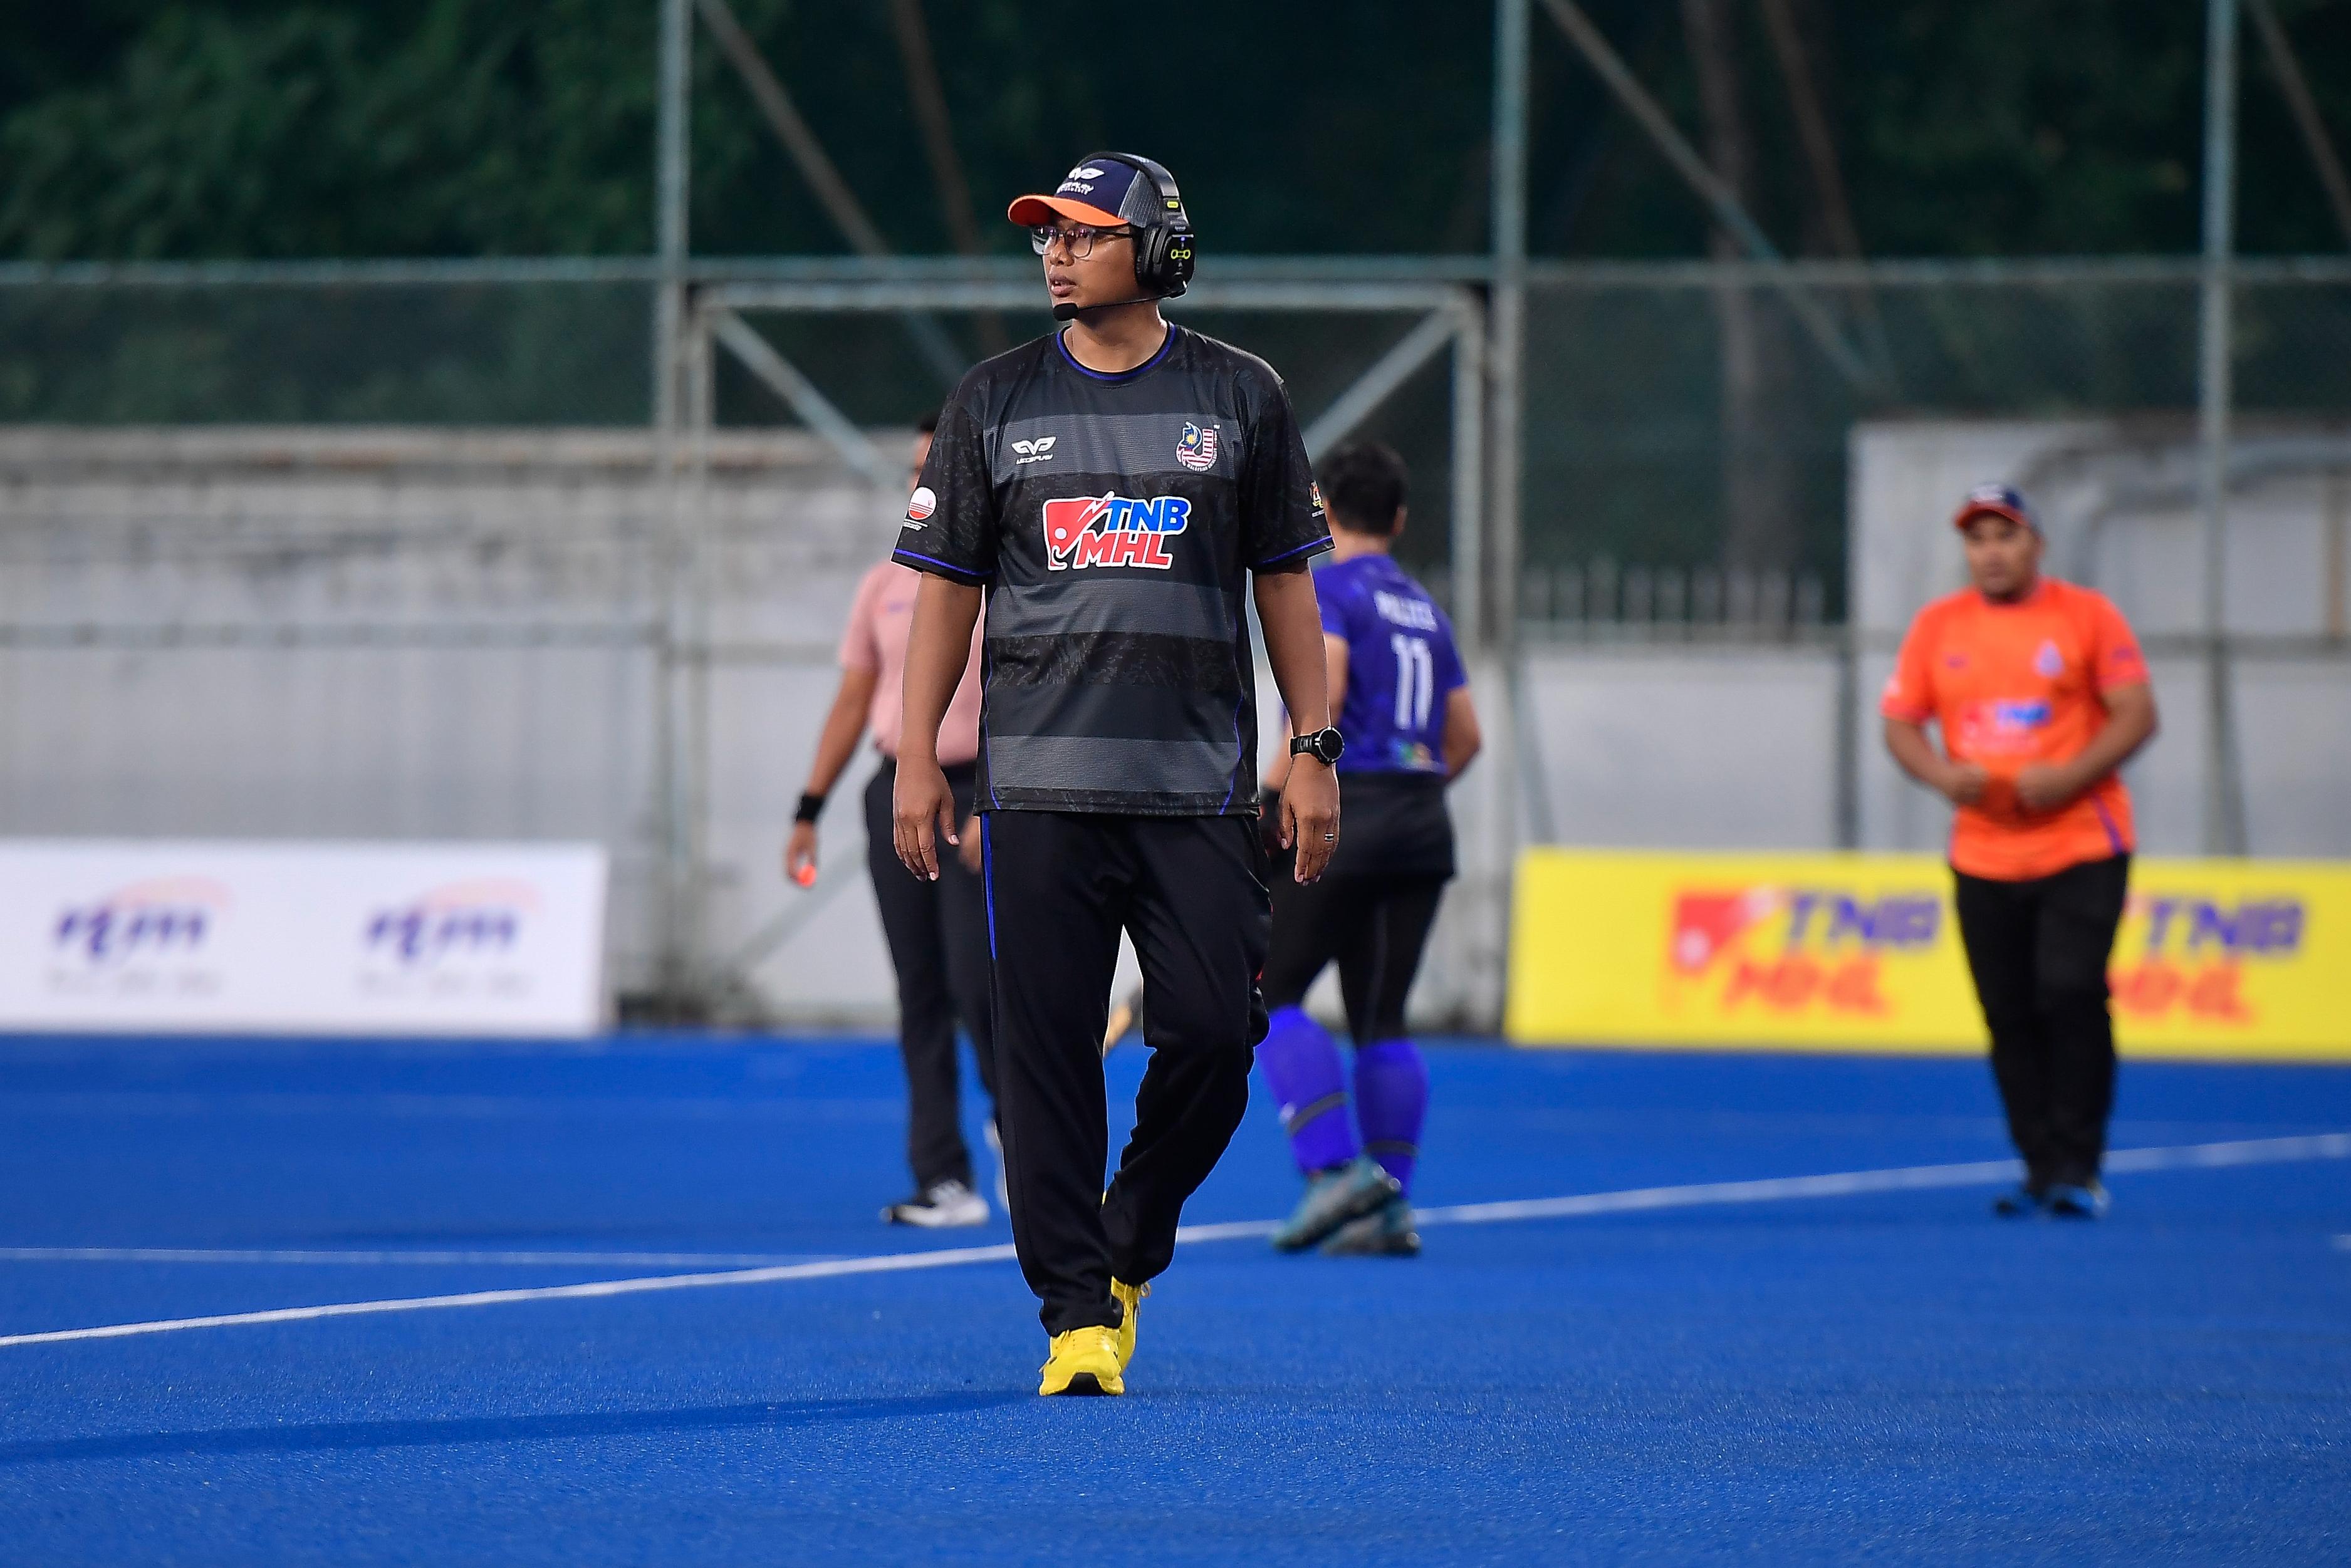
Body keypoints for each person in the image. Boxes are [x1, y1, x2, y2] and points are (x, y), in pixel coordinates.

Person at [890, 152, 1342, 1396]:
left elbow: (1285, 582)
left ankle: (1130, 1231)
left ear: (1157, 250)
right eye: (1046, 234)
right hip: (1037, 793)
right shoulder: (991, 399)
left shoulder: (1241, 394)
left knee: (1213, 1033)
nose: (1056, 252)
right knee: (1043, 1059)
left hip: (1197, 791)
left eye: (1084, 234)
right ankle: (1075, 1313)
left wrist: (1312, 748)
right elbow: (944, 594)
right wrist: (921, 755)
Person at [1881, 484, 2158, 1220]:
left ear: (2035, 543)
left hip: (2080, 841)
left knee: (2067, 990)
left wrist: (2070, 775)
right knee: (2006, 1010)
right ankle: (2038, 1166)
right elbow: (1900, 722)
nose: (1991, 552)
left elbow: (2135, 712)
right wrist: (1941, 776)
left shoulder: (2085, 616)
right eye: (1976, 539)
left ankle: (2078, 1164)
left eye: (2004, 535)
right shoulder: (1937, 626)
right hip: (1982, 851)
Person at [1256, 442, 1480, 1259]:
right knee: (1381, 1016)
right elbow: (1465, 735)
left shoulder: (1332, 590)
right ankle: (1389, 1204)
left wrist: (1271, 797)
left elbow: (1327, 695)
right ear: (1400, 517)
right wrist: (1408, 792)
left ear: (1320, 507)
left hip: (1349, 815)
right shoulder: (1425, 607)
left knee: (1268, 989)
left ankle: (1330, 1171)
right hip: (1421, 823)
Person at [786, 413, 999, 1229]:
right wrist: (809, 806)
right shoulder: (886, 582)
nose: (921, 482)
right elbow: (855, 698)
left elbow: (1032, 695)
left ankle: (1025, 1126)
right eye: (914, 468)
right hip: (897, 790)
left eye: (934, 467)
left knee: (980, 983)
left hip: (977, 791)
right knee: (920, 989)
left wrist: (998, 797)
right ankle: (943, 1175)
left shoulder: (1010, 578)